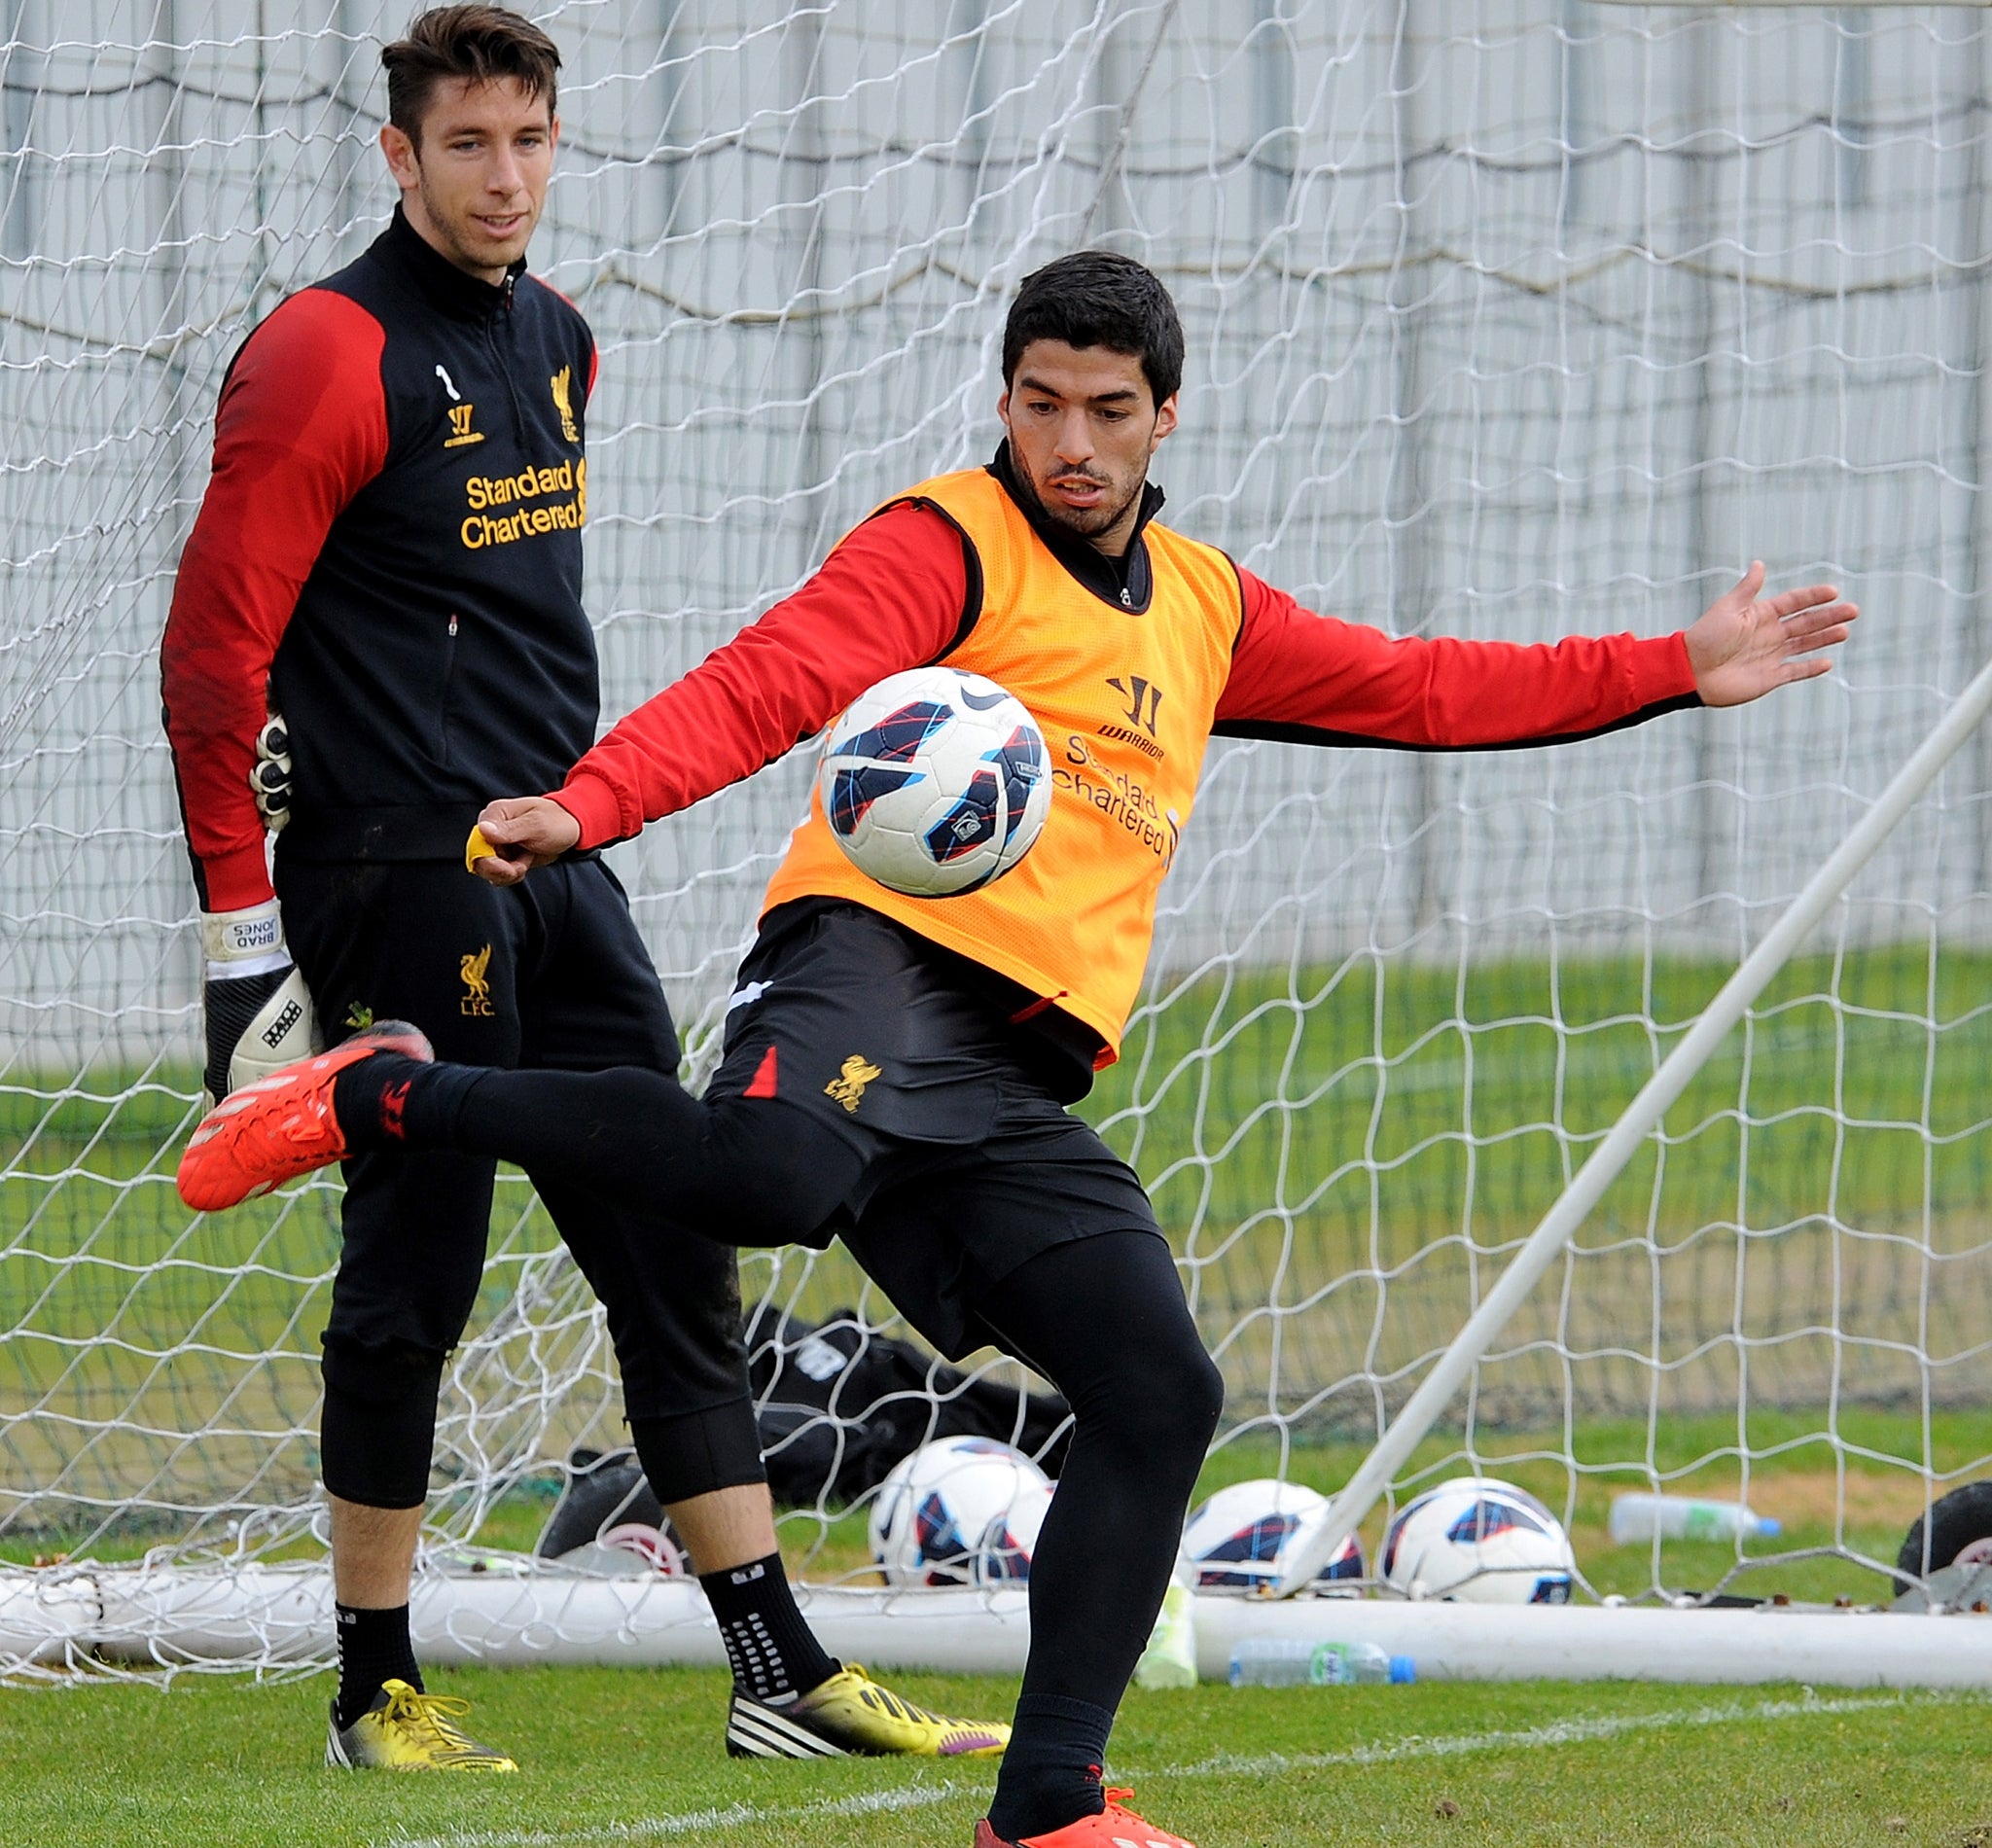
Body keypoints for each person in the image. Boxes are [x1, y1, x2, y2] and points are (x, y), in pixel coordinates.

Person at [178, 249, 1856, 1841]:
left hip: (1004, 1077)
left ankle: (1051, 1799)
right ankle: (387, 1090)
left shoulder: (1201, 608)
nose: (1067, 440)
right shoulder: (945, 543)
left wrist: (1671, 669)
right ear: (1006, 399)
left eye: (1105, 410)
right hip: (866, 973)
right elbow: (771, 681)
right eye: (1038, 401)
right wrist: (595, 801)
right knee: (764, 1176)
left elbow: (1421, 686)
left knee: (1154, 1385)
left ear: (1163, 419)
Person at [160, 3, 1006, 1775]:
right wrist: (248, 945)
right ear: (398, 156)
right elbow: (213, 651)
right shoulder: (324, 351)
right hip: (394, 874)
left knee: (670, 1247)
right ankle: (371, 1689)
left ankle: (775, 1668)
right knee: (420, 1264)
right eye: (465, 145)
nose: (503, 177)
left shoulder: (560, 338)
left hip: (557, 859)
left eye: (530, 141)